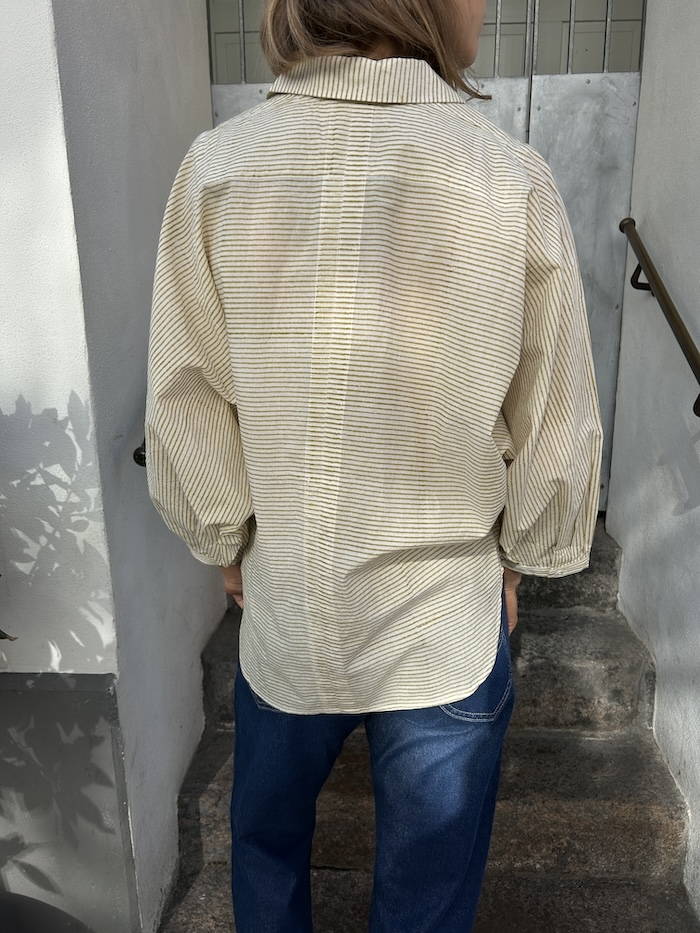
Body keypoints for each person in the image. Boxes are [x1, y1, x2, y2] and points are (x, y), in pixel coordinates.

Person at [145, 0, 603, 929]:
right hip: (444, 626)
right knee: (425, 907)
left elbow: (187, 392)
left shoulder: (218, 167)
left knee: (266, 857)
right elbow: (554, 415)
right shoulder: (509, 178)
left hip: (287, 616)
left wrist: (224, 537)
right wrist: (520, 559)